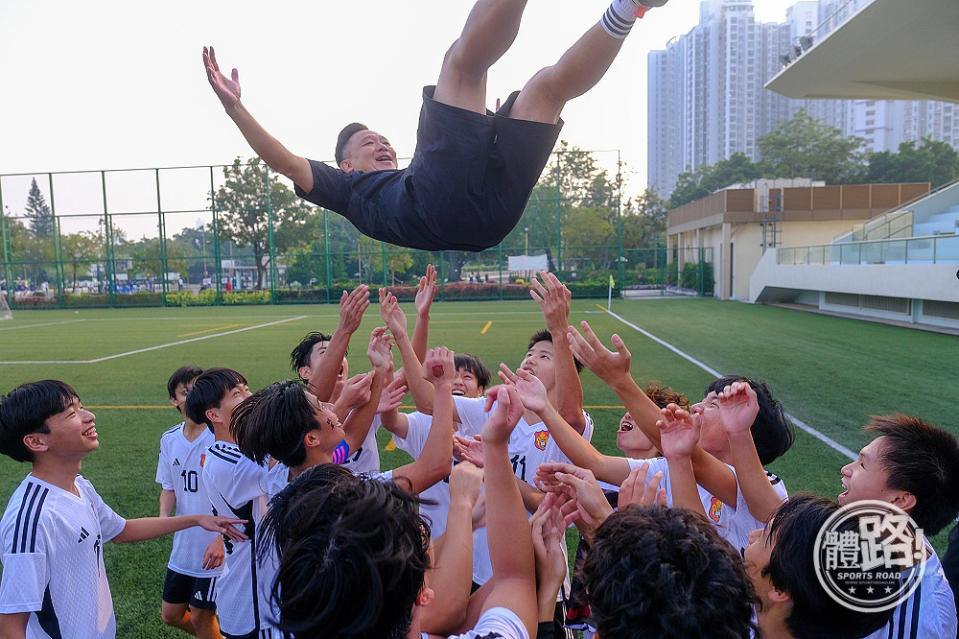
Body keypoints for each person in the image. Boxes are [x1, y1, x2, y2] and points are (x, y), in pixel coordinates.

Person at [203, 0, 668, 251]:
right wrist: (235, 109)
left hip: (491, 219)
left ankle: (630, 7)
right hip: (439, 205)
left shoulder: (404, 176)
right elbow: (283, 161)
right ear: (346, 165)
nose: (382, 144)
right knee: (461, 67)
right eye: (369, 143)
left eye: (384, 139)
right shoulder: (346, 191)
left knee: (545, 91)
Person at [259, 384, 544, 639]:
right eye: (321, 406)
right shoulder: (361, 497)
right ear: (421, 594)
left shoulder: (290, 495)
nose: (330, 406)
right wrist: (444, 391)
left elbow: (353, 438)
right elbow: (509, 583)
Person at [0, 380, 244, 639]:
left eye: (81, 407)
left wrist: (197, 519)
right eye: (72, 413)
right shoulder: (31, 519)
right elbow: (11, 625)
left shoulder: (81, 488)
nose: (89, 416)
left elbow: (122, 530)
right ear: (36, 442)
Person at [184, 368, 287, 639]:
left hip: (260, 595)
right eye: (237, 394)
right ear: (214, 415)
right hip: (253, 605)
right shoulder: (228, 462)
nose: (249, 397)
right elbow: (294, 458)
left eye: (246, 388)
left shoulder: (241, 450)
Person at [838, 414, 959, 639]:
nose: (846, 469)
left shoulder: (917, 620)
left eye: (863, 464)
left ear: (900, 501)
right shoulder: (878, 537)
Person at [157, 366, 224, 638]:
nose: (193, 397)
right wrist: (163, 520)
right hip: (184, 547)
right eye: (186, 392)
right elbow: (168, 488)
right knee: (171, 615)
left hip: (215, 544)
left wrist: (221, 539)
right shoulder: (169, 439)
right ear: (174, 400)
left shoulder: (220, 437)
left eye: (198, 390)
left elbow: (238, 496)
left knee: (200, 615)